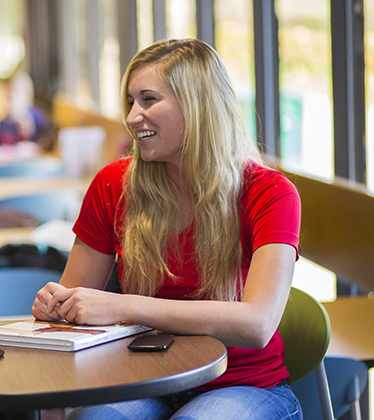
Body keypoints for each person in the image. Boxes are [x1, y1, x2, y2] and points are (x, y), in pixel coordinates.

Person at [32, 38, 302, 420]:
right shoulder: (112, 184)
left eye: (148, 99)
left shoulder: (270, 193)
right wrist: (58, 307)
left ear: (197, 106)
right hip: (143, 379)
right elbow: (74, 307)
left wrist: (123, 306)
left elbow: (256, 325)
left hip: (243, 385)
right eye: (130, 102)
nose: (131, 117)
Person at [0, 71, 54, 148]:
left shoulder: (39, 121)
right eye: (8, 92)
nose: (11, 97)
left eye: (16, 93)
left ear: (28, 96)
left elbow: (49, 145)